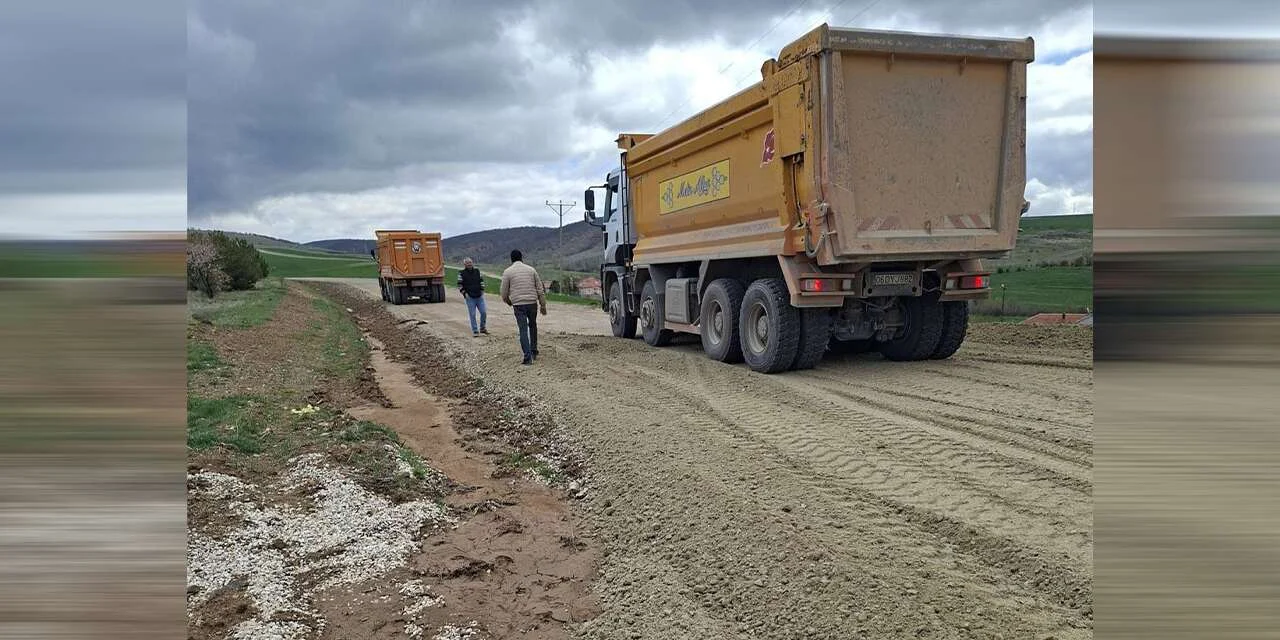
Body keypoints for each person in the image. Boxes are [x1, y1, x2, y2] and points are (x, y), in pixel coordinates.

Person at [500, 249, 547, 365]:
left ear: (511, 259)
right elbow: (540, 288)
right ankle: (534, 351)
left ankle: (527, 357)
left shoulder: (507, 272)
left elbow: (503, 292)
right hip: (532, 303)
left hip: (518, 304)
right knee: (533, 325)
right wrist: (543, 305)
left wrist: (509, 302)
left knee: (523, 329)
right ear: (522, 257)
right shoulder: (531, 270)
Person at [458, 257, 487, 336]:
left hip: (479, 296)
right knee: (472, 314)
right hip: (470, 297)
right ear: (464, 264)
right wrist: (464, 293)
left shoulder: (477, 271)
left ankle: (482, 328)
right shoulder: (461, 273)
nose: (469, 264)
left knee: (484, 312)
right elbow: (459, 285)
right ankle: (475, 331)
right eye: (467, 263)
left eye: (470, 262)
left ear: (472, 263)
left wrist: (482, 290)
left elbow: (481, 281)